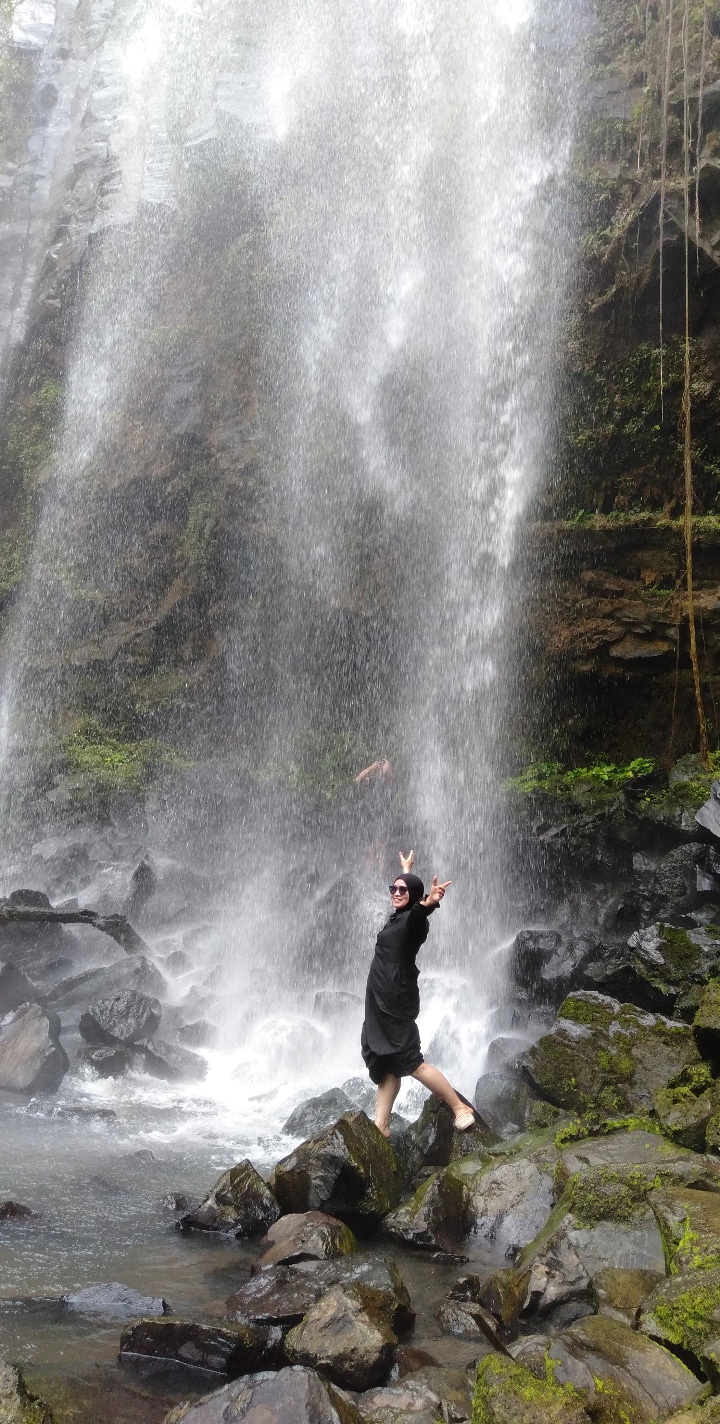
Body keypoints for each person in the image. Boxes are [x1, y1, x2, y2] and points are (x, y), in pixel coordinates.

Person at [360, 850, 475, 1137]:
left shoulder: (413, 921)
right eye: (394, 888)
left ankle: (460, 1108)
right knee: (385, 1064)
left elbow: (418, 914)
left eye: (403, 890)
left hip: (394, 1003)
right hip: (378, 1004)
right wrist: (407, 870)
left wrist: (429, 902)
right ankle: (382, 1126)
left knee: (413, 1062)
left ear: (414, 896)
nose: (397, 892)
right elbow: (409, 905)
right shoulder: (398, 917)